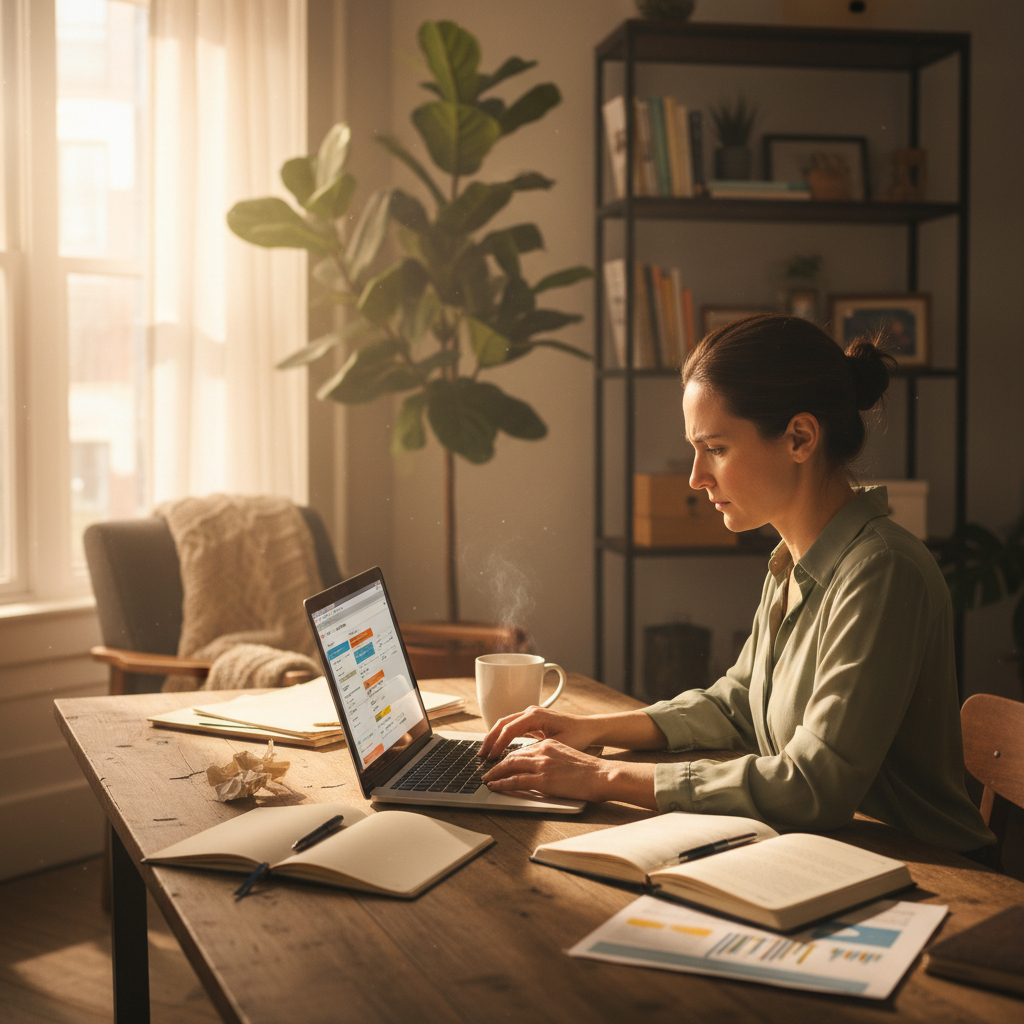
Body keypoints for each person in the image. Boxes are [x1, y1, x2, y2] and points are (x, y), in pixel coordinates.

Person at [479, 313, 994, 854]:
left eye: (716, 448)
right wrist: (593, 730)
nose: (697, 477)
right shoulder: (792, 561)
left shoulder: (882, 572)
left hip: (933, 875)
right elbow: (739, 703)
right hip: (831, 852)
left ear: (800, 437)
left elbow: (816, 786)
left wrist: (602, 778)